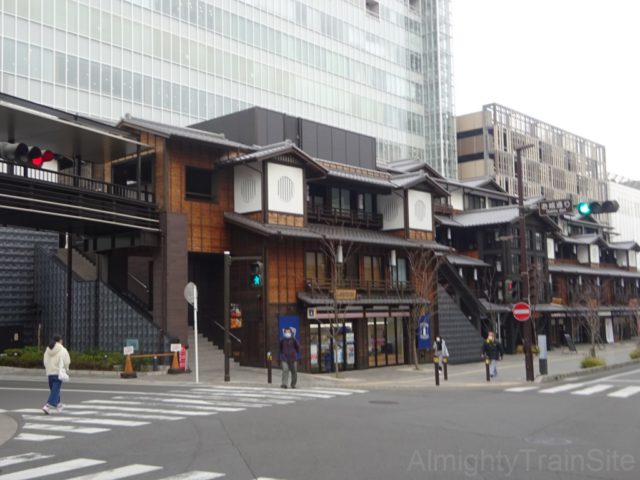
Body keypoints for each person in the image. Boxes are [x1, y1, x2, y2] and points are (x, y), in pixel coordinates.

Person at [42, 335, 71, 414]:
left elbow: (45, 361)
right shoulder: (62, 349)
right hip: (58, 373)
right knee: (55, 390)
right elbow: (67, 361)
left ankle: (59, 405)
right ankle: (47, 406)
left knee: (54, 390)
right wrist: (66, 368)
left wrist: (48, 368)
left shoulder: (47, 349)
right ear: (60, 341)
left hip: (50, 373)